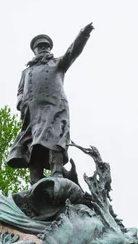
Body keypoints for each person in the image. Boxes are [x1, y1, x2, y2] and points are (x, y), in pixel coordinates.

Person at [7, 23, 94, 184]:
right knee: (33, 144)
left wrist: (83, 34)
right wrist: (20, 102)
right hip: (32, 113)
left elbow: (73, 51)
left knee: (56, 138)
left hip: (55, 107)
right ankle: (35, 179)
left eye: (46, 46)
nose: (43, 49)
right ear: (35, 50)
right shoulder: (26, 72)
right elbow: (20, 90)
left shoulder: (57, 63)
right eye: (40, 47)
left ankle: (57, 173)